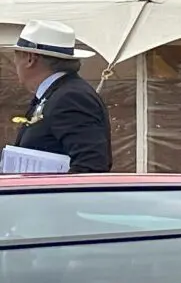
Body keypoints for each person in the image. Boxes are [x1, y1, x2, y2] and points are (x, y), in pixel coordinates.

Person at [10, 19, 112, 171]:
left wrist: (53, 193)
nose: (14, 62)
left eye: (17, 55)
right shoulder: (55, 95)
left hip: (55, 195)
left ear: (30, 59)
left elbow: (90, 164)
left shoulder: (70, 98)